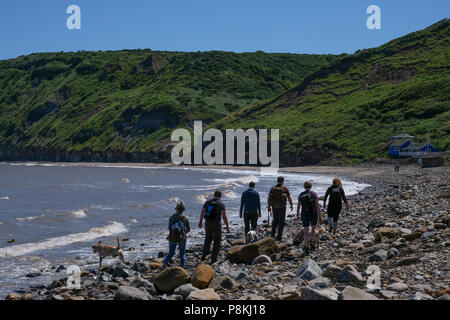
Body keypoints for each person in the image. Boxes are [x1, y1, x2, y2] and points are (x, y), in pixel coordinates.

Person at [199, 190, 230, 264]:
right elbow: (224, 216)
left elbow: (202, 211)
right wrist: (227, 226)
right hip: (216, 224)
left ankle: (204, 254)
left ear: (214, 195)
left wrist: (200, 221)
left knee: (208, 238)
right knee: (217, 241)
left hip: (207, 223)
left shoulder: (207, 202)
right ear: (220, 196)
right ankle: (213, 258)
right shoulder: (221, 204)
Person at [162, 202, 190, 269]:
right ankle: (182, 268)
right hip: (182, 238)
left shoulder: (172, 217)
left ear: (176, 209)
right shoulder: (185, 218)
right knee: (182, 254)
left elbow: (169, 228)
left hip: (172, 237)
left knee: (171, 253)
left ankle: (164, 265)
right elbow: (188, 229)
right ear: (183, 210)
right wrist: (183, 233)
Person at [296, 181, 321, 255]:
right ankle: (312, 241)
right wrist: (320, 215)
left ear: (304, 187)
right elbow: (317, 205)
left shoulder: (301, 194)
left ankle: (306, 246)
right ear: (311, 186)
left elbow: (298, 205)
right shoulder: (314, 194)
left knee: (306, 231)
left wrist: (297, 215)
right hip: (313, 213)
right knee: (313, 229)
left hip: (304, 214)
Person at [268, 176, 293, 242]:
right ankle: (279, 237)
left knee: (275, 221)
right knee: (281, 222)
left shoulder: (272, 189)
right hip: (282, 207)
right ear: (283, 181)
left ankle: (272, 235)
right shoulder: (285, 188)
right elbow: (289, 197)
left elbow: (269, 198)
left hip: (274, 207)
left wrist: (269, 207)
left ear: (277, 181)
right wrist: (291, 204)